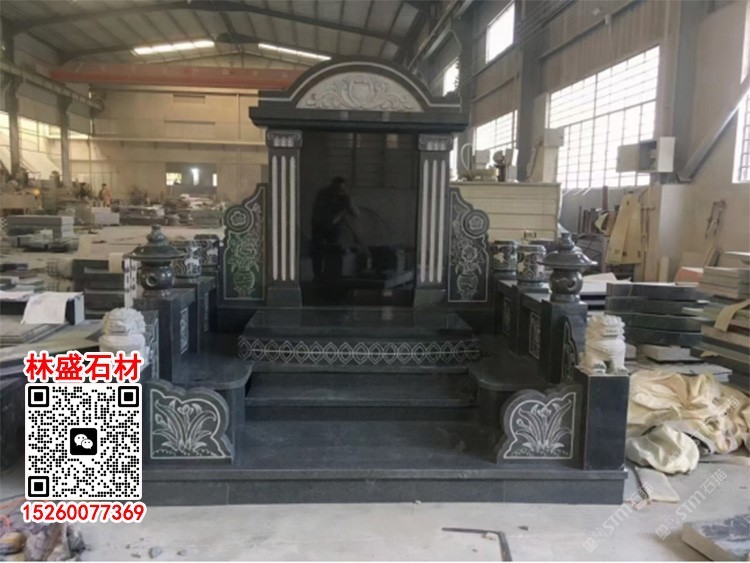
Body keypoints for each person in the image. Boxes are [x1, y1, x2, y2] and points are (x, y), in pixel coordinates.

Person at [311, 176, 358, 277]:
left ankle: (330, 272)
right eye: (336, 189)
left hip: (334, 226)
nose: (338, 191)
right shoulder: (323, 194)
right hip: (319, 224)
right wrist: (341, 212)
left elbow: (355, 213)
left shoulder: (344, 196)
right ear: (332, 186)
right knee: (317, 249)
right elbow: (323, 212)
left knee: (332, 249)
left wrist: (349, 203)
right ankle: (317, 274)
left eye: (341, 189)